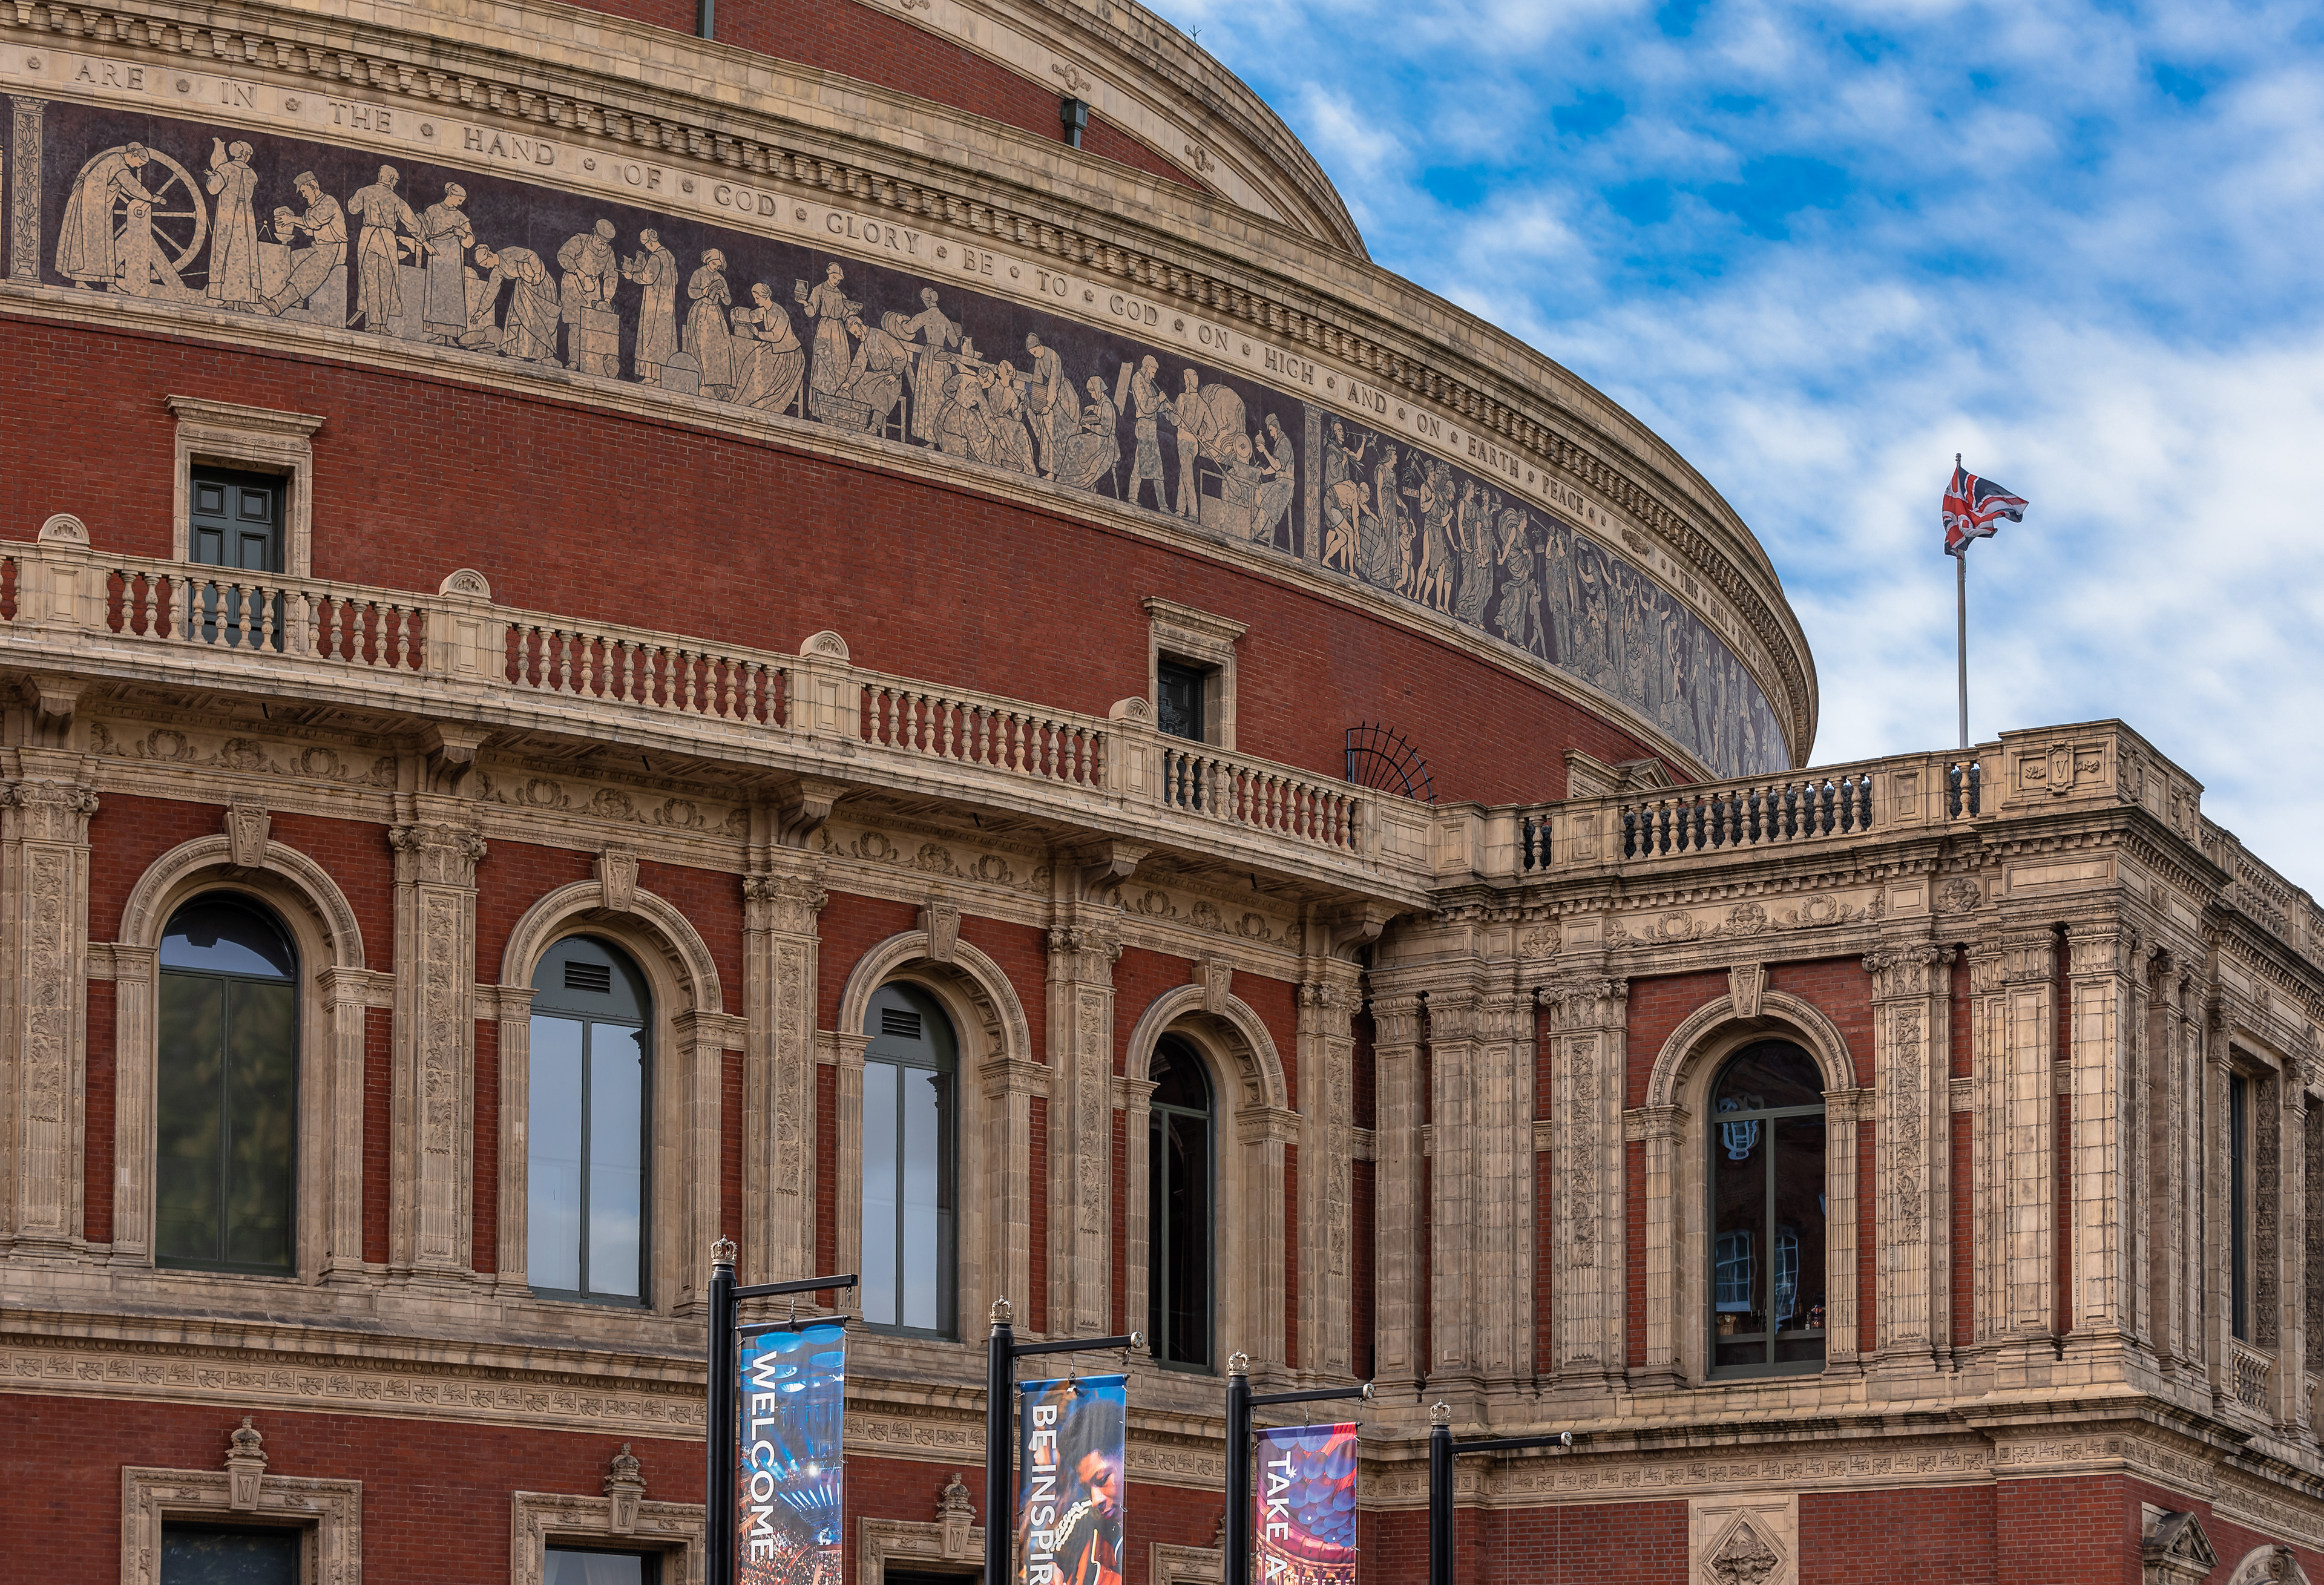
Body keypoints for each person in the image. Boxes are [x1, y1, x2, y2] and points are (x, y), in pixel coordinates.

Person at [57, 142, 172, 294]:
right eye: (139, 163)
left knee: (102, 245)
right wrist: (151, 198)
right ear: (134, 154)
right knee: (90, 244)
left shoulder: (114, 160)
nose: (138, 167)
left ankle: (109, 284)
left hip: (95, 207)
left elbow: (125, 188)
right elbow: (132, 186)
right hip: (90, 207)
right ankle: (83, 281)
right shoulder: (117, 164)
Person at [344, 165, 418, 331]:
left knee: (370, 282)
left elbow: (352, 208)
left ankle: (372, 323)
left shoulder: (365, 191)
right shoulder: (395, 199)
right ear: (392, 180)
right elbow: (413, 223)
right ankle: (381, 325)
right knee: (385, 284)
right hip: (386, 239)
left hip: (368, 237)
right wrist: (424, 239)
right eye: (396, 181)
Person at [262, 171, 346, 318]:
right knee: (292, 259)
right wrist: (291, 221)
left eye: (304, 191)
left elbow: (313, 222)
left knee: (307, 271)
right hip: (318, 247)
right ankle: (297, 301)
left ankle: (278, 304)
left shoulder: (328, 202)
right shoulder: (313, 207)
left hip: (333, 249)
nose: (303, 195)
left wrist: (293, 219)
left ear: (313, 186)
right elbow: (309, 231)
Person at [465, 243, 559, 360]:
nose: (486, 267)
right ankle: (519, 352)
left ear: (489, 255)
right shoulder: (497, 271)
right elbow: (491, 290)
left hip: (540, 283)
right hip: (524, 285)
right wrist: (481, 310)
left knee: (537, 322)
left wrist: (537, 273)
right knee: (517, 319)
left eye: (485, 263)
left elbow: (531, 255)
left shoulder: (508, 253)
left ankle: (541, 355)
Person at [796, 262, 861, 421]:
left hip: (839, 334)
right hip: (825, 329)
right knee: (822, 368)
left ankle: (837, 409)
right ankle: (819, 409)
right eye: (834, 277)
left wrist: (852, 314)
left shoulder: (842, 296)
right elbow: (812, 311)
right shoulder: (819, 289)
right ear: (828, 273)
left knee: (840, 369)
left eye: (839, 279)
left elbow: (847, 318)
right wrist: (805, 303)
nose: (836, 281)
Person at [203, 139, 261, 311]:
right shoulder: (252, 174)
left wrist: (212, 178)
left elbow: (213, 189)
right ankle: (244, 300)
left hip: (228, 217)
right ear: (244, 155)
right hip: (246, 220)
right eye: (249, 155)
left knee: (226, 254)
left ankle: (228, 298)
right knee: (245, 257)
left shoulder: (225, 168)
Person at [557, 219, 620, 373]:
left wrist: (607, 299)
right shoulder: (580, 240)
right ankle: (573, 361)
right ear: (594, 233)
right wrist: (578, 272)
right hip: (573, 283)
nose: (602, 246)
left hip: (593, 288)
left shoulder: (609, 252)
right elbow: (563, 255)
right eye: (600, 241)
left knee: (591, 324)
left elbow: (611, 276)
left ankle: (589, 362)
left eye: (605, 243)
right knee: (575, 325)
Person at [730, 283, 805, 413]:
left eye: (757, 298)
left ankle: (751, 402)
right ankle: (738, 399)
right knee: (750, 362)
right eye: (755, 298)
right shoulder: (765, 310)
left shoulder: (779, 313)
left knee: (761, 372)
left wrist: (757, 333)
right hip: (774, 349)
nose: (756, 301)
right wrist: (735, 313)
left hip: (789, 355)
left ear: (765, 296)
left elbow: (776, 336)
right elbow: (751, 316)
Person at [416, 183, 474, 344]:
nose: (461, 204)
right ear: (451, 195)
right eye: (459, 199)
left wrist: (463, 234)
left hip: (454, 263)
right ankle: (440, 335)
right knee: (437, 297)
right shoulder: (432, 211)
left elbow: (470, 241)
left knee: (453, 298)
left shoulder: (462, 218)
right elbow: (423, 231)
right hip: (437, 261)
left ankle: (451, 337)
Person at [622, 228, 680, 384]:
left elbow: (646, 277)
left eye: (646, 244)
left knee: (650, 338)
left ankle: (652, 376)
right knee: (664, 339)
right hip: (667, 305)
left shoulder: (656, 257)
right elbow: (676, 280)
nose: (646, 247)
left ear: (650, 241)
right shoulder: (670, 256)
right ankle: (657, 376)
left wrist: (631, 276)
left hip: (654, 304)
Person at [1051, 375, 1120, 491]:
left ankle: (1071, 479)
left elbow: (1106, 430)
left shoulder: (1107, 404)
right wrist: (1093, 407)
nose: (1092, 396)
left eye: (1092, 392)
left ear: (1097, 390)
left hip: (1106, 444)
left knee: (1074, 442)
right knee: (1073, 441)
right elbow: (1101, 411)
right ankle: (1070, 477)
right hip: (1099, 439)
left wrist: (1089, 426)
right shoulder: (1103, 402)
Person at [685, 250, 737, 399]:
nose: (716, 267)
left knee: (720, 348)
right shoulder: (699, 273)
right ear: (708, 260)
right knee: (702, 348)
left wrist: (722, 294)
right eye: (714, 263)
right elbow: (691, 292)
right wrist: (704, 291)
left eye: (718, 265)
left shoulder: (720, 278)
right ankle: (702, 382)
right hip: (701, 311)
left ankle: (721, 386)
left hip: (716, 314)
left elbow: (728, 301)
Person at [1123, 355, 1169, 511]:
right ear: (1146, 367)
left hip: (1151, 426)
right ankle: (1158, 504)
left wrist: (1165, 407)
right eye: (1153, 370)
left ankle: (1159, 504)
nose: (1154, 374)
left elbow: (1154, 406)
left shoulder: (1148, 383)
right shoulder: (1137, 379)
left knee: (1151, 464)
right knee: (1145, 463)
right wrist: (1159, 400)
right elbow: (1145, 406)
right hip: (1144, 425)